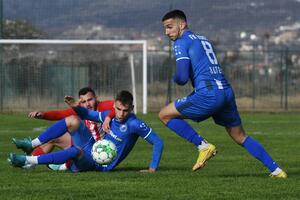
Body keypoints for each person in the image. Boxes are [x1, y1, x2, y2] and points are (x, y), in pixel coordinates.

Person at [158, 9, 286, 178]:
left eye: (170, 27)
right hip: (226, 92)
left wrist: (175, 77)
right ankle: (277, 171)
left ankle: (203, 146)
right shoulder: (203, 39)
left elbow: (181, 78)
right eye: (165, 29)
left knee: (164, 115)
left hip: (209, 94)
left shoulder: (181, 42)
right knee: (240, 136)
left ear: (182, 25)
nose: (167, 32)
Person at [9, 90, 164, 173]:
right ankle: (32, 144)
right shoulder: (109, 115)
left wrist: (152, 168)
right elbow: (87, 114)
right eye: (118, 109)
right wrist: (76, 106)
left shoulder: (135, 124)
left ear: (131, 109)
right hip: (93, 148)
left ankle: (27, 160)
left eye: (125, 110)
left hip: (101, 164)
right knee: (72, 119)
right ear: (114, 106)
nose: (121, 114)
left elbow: (158, 142)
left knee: (76, 151)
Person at [20, 87, 115, 170]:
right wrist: (43, 115)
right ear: (79, 102)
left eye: (90, 100)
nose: (87, 104)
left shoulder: (104, 106)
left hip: (99, 151)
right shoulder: (80, 110)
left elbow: (118, 106)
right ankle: (29, 163)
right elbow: (59, 114)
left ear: (96, 98)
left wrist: (109, 117)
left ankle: (65, 166)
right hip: (85, 144)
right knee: (53, 138)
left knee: (75, 150)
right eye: (83, 101)